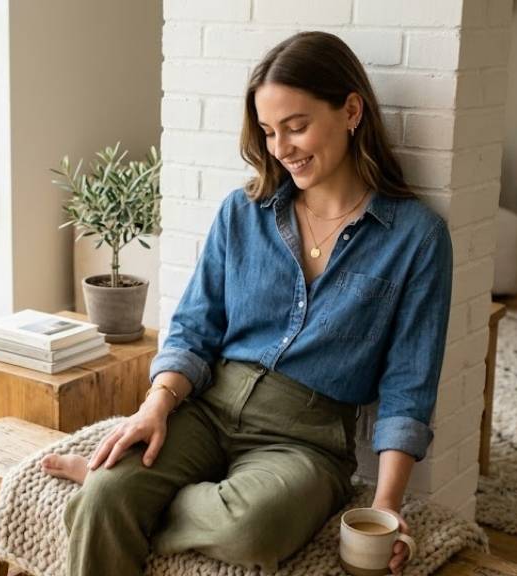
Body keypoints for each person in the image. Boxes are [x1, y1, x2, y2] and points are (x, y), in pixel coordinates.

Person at [41, 31, 452, 576]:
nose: (281, 148)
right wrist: (155, 406)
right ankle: (111, 495)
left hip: (305, 442)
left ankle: (122, 498)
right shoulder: (244, 211)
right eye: (268, 131)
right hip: (207, 405)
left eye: (297, 126)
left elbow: (409, 384)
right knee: (104, 499)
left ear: (351, 110)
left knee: (250, 529)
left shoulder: (417, 237)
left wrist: (386, 504)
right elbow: (193, 325)